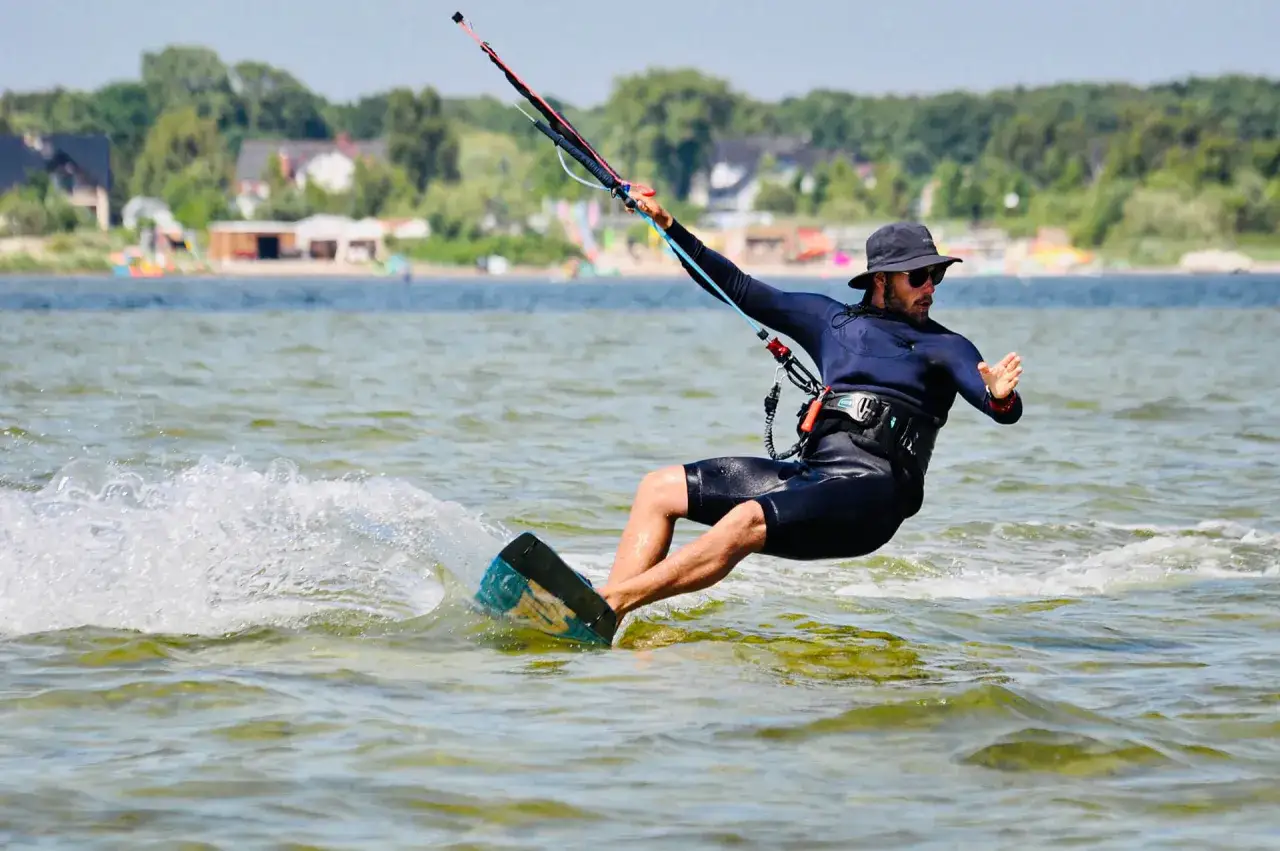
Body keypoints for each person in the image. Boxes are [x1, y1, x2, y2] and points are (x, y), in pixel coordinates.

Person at [595, 193, 1024, 622]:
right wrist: (670, 226)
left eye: (936, 275)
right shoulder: (831, 322)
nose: (929, 287)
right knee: (658, 489)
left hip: (874, 492)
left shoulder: (946, 347)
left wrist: (1001, 396)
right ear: (881, 280)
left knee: (746, 520)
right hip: (815, 477)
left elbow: (995, 403)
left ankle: (608, 602)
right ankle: (601, 623)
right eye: (918, 276)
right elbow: (739, 288)